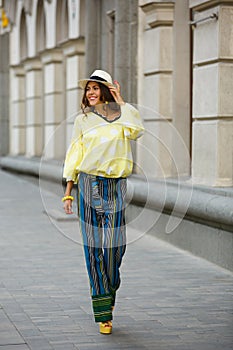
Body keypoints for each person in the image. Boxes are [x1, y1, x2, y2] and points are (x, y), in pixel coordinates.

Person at [62, 69, 144, 334]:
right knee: (93, 247)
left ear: (107, 90)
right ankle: (104, 313)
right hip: (87, 183)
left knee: (114, 247)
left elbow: (136, 131)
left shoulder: (122, 117)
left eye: (96, 88)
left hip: (116, 185)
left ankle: (111, 282)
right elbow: (75, 153)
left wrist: (121, 101)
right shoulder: (83, 120)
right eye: (88, 89)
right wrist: (69, 190)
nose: (91, 93)